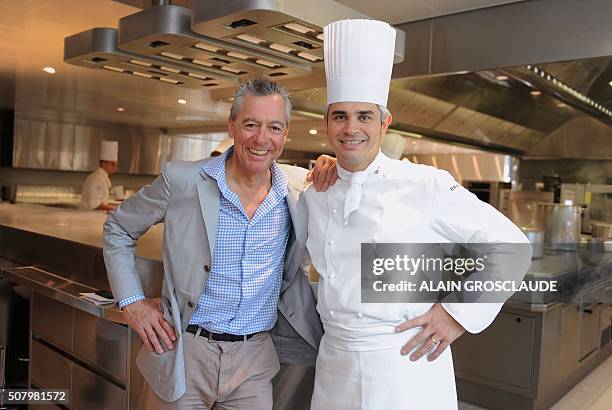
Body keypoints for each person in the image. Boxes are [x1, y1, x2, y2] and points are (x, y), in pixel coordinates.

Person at [304, 19, 532, 409]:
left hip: (403, 364)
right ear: (326, 123)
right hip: (335, 365)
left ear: (385, 122)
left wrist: (455, 315)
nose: (351, 128)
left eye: (364, 116)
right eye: (340, 115)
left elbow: (511, 247)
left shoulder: (424, 184)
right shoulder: (314, 191)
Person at [103, 78, 336, 409]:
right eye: (250, 125)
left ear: (285, 134)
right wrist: (132, 303)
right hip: (184, 352)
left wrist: (333, 162)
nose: (261, 138)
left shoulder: (298, 189)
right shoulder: (182, 180)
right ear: (232, 125)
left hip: (254, 360)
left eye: (274, 127)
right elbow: (118, 229)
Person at [81, 140, 119, 211]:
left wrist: (118, 206)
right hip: (90, 218)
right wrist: (116, 208)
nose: (115, 167)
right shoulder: (97, 179)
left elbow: (102, 202)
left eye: (116, 164)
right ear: (103, 163)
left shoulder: (102, 177)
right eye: (112, 164)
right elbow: (96, 205)